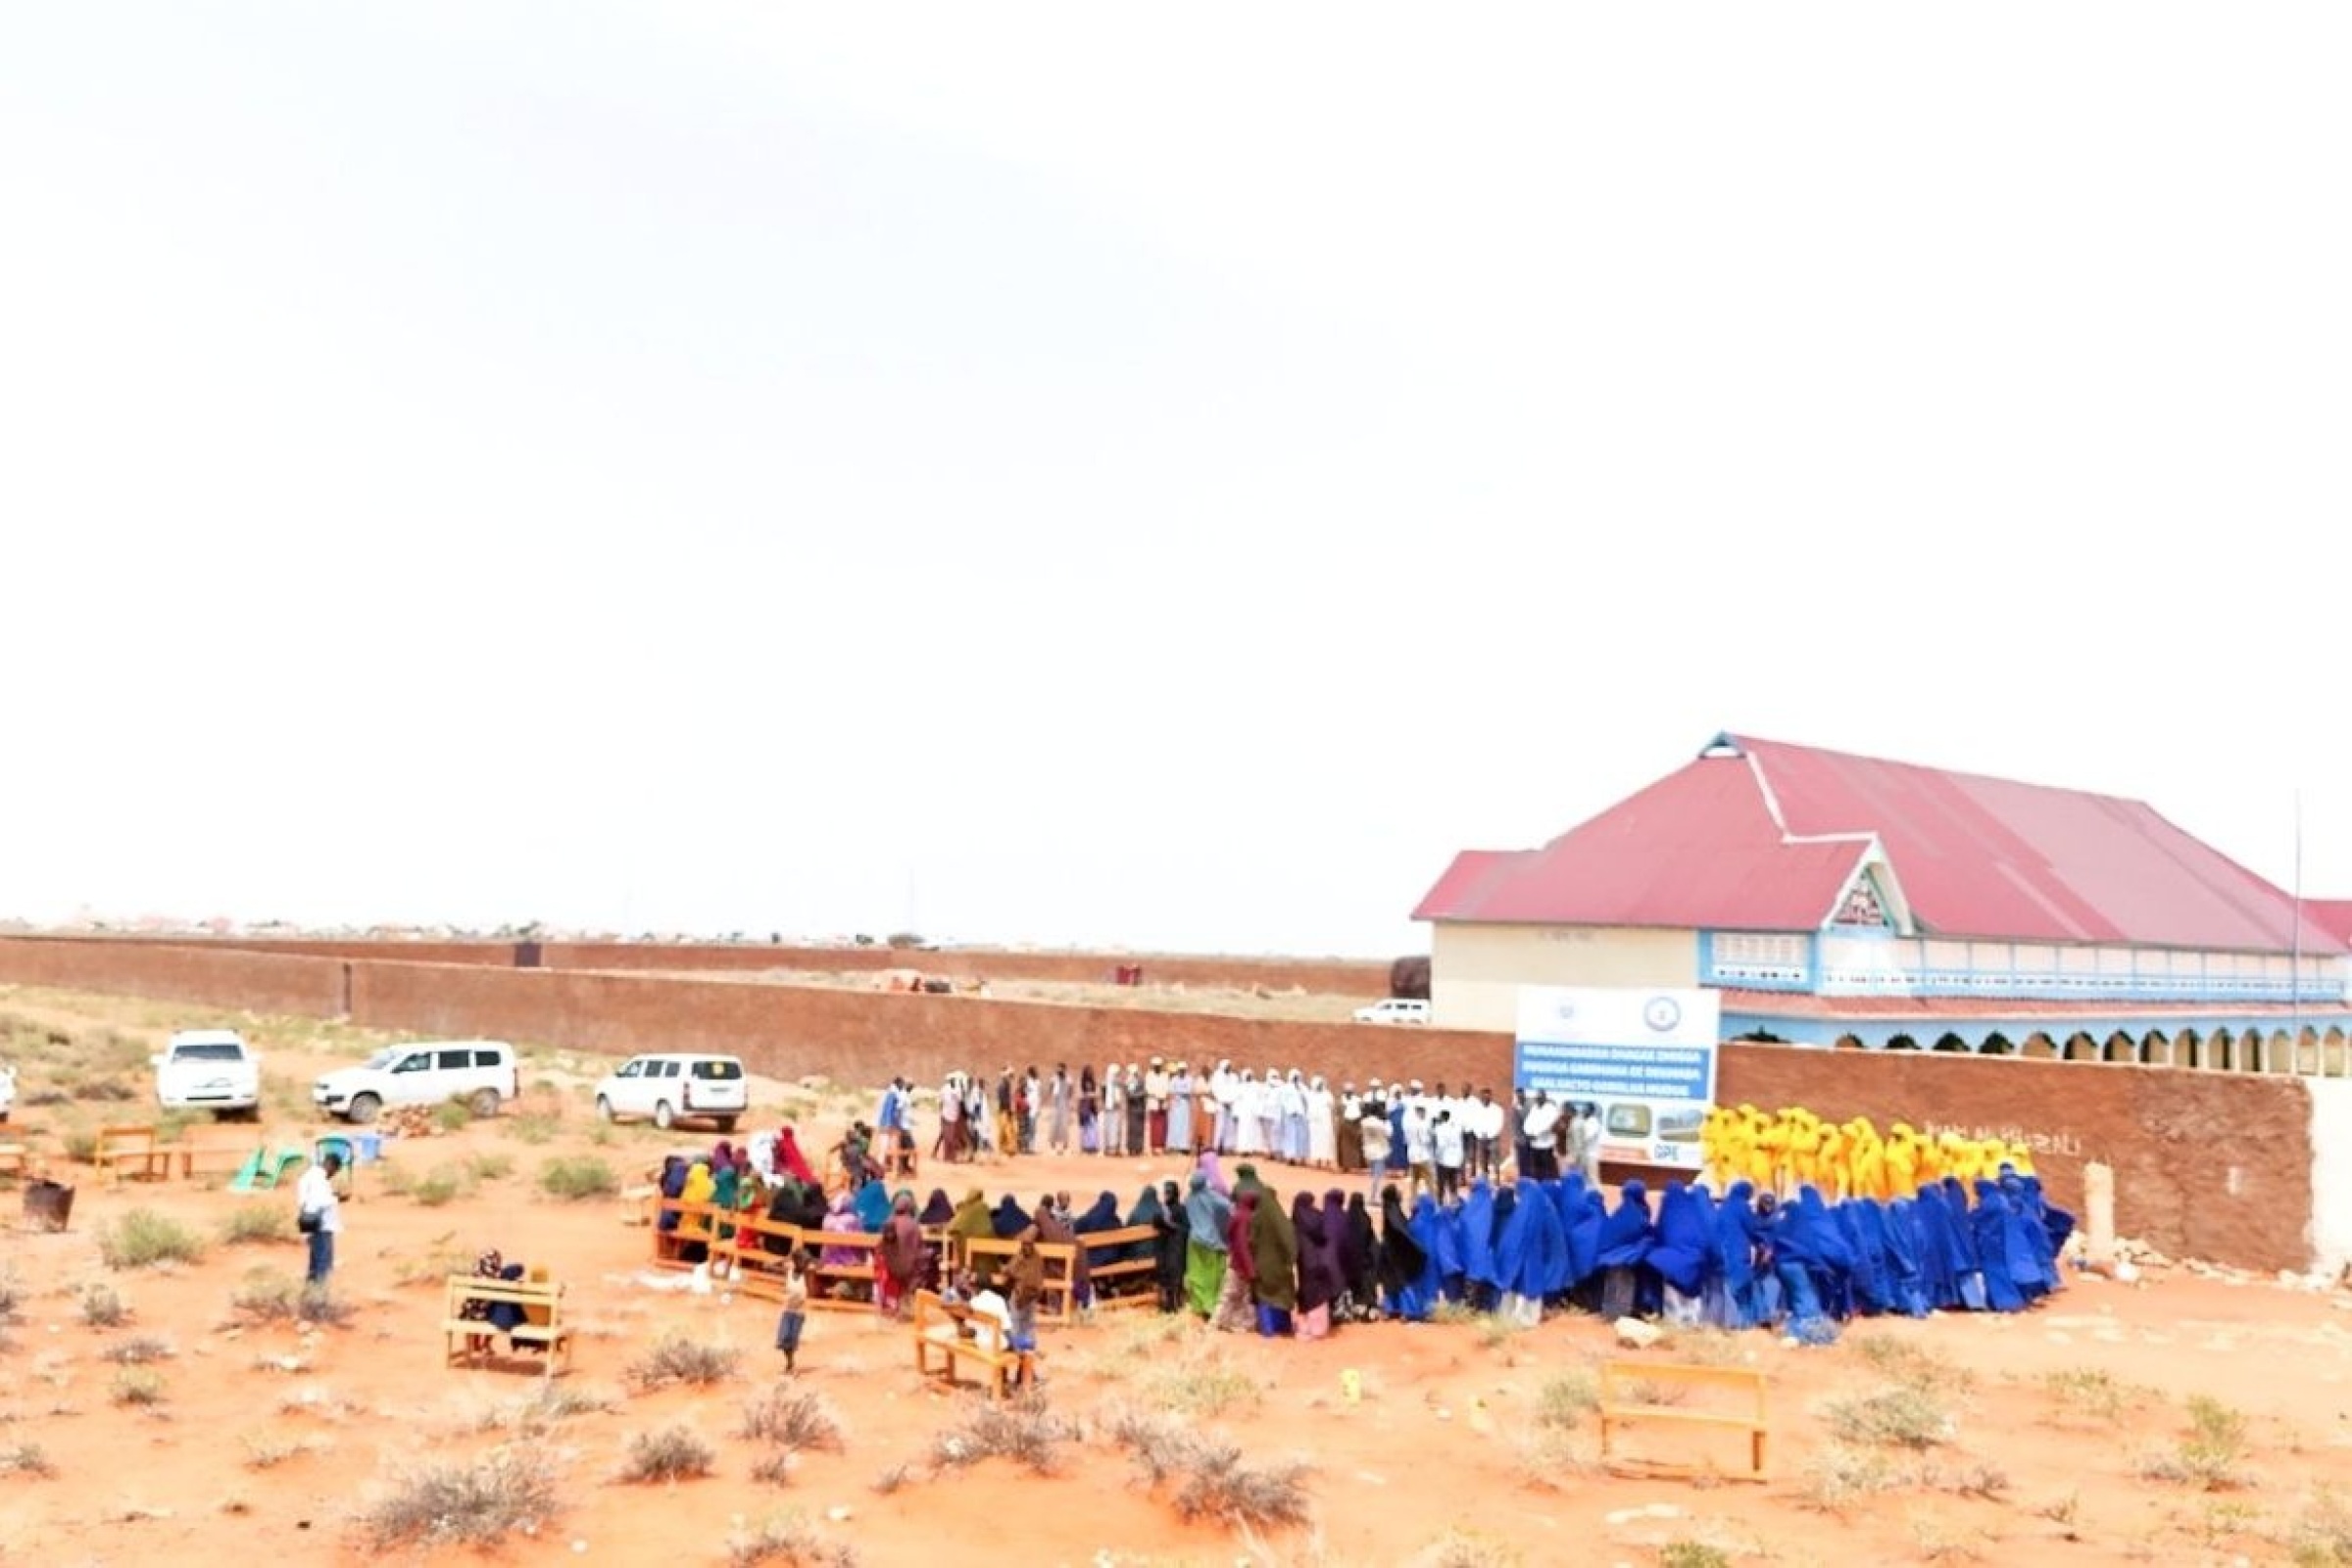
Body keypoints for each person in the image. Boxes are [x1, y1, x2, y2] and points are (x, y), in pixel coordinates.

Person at [297, 1151, 343, 1290]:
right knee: (322, 1264)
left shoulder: (310, 1175)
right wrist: (337, 1198)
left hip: (311, 1223)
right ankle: (318, 1298)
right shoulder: (318, 1178)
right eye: (334, 1171)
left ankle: (310, 1294)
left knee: (315, 1262)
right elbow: (319, 1201)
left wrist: (332, 1195)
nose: (333, 1174)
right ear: (330, 1165)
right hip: (320, 1225)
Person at [773, 1250, 809, 1373]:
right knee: (783, 1339)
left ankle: (790, 1364)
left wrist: (810, 1260)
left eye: (803, 1263)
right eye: (798, 1262)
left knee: (792, 1340)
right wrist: (786, 1258)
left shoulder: (806, 1275)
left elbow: (820, 1265)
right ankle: (790, 1362)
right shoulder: (788, 1272)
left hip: (799, 1313)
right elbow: (768, 1265)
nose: (801, 1265)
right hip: (787, 1310)